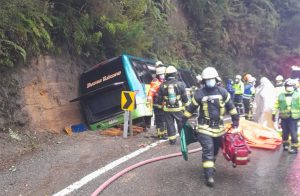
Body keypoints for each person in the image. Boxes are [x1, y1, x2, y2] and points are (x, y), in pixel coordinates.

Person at [181, 67, 239, 187]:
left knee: (215, 150)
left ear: (215, 79)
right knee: (208, 149)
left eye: (211, 79)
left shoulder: (223, 92)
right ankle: (209, 176)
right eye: (207, 79)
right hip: (204, 128)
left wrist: (235, 119)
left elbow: (231, 107)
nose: (209, 81)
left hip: (219, 129)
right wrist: (183, 120)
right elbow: (191, 108)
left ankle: (210, 164)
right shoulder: (200, 93)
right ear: (203, 81)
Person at [157, 65, 190, 145]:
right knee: (181, 123)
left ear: (166, 74)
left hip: (167, 109)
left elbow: (159, 98)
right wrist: (187, 106)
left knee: (170, 124)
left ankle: (172, 140)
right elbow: (184, 97)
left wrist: (160, 107)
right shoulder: (180, 84)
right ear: (175, 74)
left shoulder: (162, 85)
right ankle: (183, 138)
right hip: (178, 108)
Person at [272, 79, 299, 154]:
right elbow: (276, 105)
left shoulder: (298, 95)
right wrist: (273, 114)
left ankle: (294, 147)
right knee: (285, 132)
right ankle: (285, 144)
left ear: (294, 87)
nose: (289, 87)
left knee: (293, 133)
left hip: (293, 117)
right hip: (284, 117)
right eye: (287, 86)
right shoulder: (281, 95)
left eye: (290, 86)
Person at [147, 67, 167, 138]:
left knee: (164, 119)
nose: (163, 76)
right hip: (157, 104)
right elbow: (150, 92)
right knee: (160, 119)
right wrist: (149, 101)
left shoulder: (163, 81)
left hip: (163, 104)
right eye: (161, 74)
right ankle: (161, 134)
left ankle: (163, 133)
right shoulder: (156, 82)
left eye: (164, 74)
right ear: (158, 75)